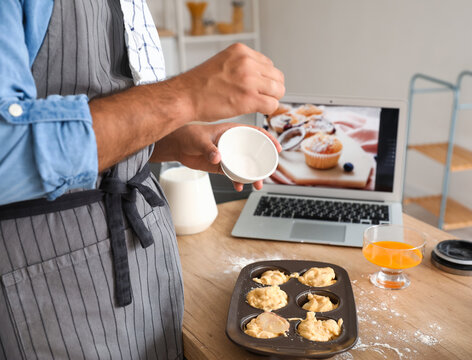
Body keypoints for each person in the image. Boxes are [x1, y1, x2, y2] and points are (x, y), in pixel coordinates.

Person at [0, 0, 285, 359]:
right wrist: (186, 95)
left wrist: (172, 139)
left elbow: (106, 108)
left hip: (150, 264)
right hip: (52, 280)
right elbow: (6, 148)